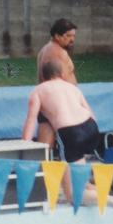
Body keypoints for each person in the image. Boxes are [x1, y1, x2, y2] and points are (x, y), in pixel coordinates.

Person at [21, 60, 113, 222]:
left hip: (71, 133)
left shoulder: (37, 91)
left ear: (43, 76)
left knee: (73, 195)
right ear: (61, 74)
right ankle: (99, 194)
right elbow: (91, 113)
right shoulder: (73, 88)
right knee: (77, 178)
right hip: (91, 129)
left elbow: (31, 120)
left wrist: (24, 144)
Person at [35, 18, 78, 148]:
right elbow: (64, 81)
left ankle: (45, 166)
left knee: (44, 148)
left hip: (47, 101)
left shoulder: (45, 50)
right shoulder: (58, 53)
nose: (72, 39)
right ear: (57, 36)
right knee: (69, 149)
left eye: (73, 36)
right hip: (59, 102)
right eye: (68, 36)